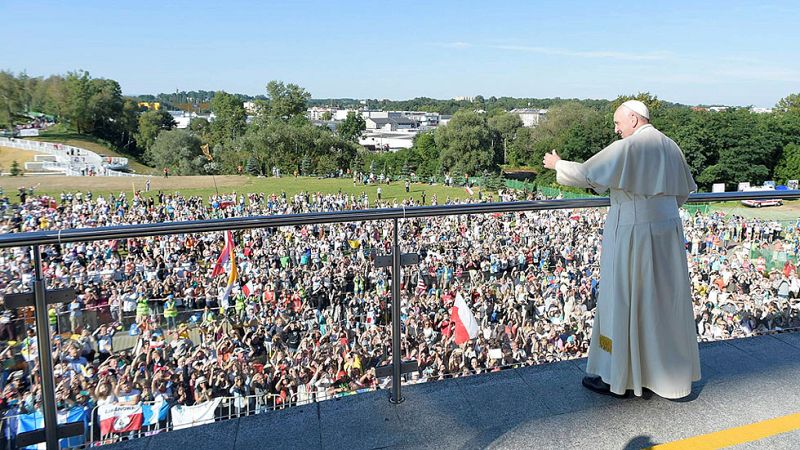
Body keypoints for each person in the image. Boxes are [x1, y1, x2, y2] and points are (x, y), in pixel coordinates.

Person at [542, 100, 701, 399]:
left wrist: (557, 164)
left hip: (634, 232)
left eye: (618, 123)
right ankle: (662, 377)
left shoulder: (631, 147)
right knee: (663, 304)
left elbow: (587, 173)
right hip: (667, 231)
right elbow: (681, 194)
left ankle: (618, 378)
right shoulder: (671, 145)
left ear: (633, 118)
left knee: (623, 300)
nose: (616, 130)